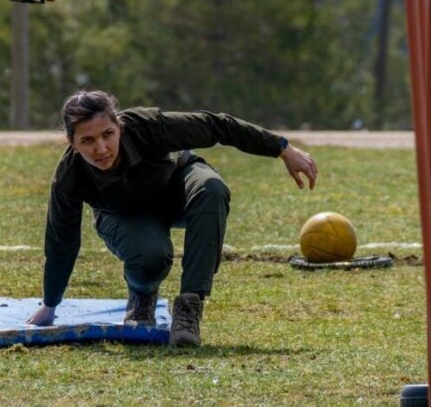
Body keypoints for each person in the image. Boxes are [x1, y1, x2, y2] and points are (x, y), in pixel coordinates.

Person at [26, 90, 318, 346]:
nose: (101, 149)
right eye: (87, 140)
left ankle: (189, 307)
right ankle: (141, 295)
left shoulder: (148, 127)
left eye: (107, 134)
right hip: (124, 217)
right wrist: (50, 304)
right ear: (71, 142)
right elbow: (61, 242)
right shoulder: (69, 177)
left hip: (177, 190)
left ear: (120, 126)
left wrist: (282, 148)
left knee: (211, 188)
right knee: (151, 258)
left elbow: (217, 126)